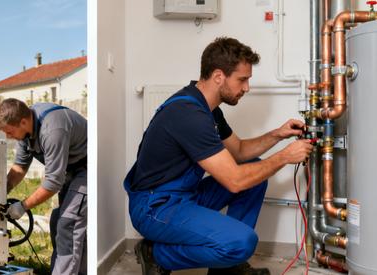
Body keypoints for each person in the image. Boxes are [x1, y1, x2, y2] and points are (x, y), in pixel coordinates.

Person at [123, 37, 313, 275]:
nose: (247, 88)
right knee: (242, 242)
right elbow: (234, 181)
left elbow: (240, 151)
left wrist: (278, 134)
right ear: (218, 76)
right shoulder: (188, 114)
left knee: (254, 172)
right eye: (242, 80)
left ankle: (226, 269)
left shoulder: (208, 109)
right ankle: (156, 254)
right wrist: (284, 157)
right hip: (155, 208)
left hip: (184, 197)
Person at [0, 98, 88, 275]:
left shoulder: (53, 129)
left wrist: (22, 206)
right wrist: (1, 194)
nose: (8, 136)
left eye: (9, 132)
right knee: (57, 220)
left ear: (22, 122)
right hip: (70, 169)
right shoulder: (26, 129)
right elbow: (20, 168)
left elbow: (52, 182)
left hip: (89, 168)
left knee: (68, 223)